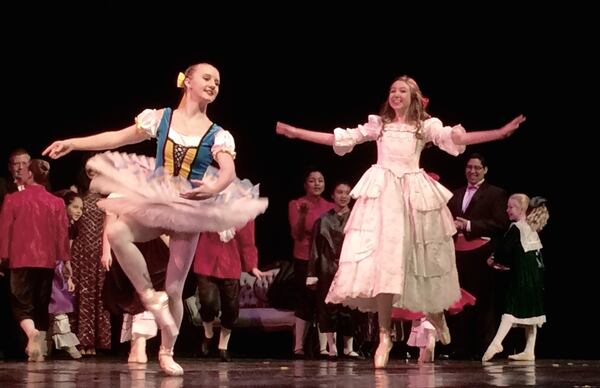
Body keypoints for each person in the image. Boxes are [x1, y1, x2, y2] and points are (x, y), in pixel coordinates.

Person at [275, 74, 526, 368]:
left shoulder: (424, 127)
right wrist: (297, 132)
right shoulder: (379, 125)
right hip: (383, 195)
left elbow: (458, 138)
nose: (396, 94)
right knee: (384, 264)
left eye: (402, 90)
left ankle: (433, 314)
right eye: (392, 90)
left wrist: (498, 132)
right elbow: (341, 138)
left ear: (413, 97)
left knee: (421, 259)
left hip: (412, 196)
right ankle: (384, 335)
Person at [43, 62, 268, 375]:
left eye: (218, 81)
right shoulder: (161, 118)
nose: (213, 84)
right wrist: (73, 142)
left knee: (175, 289)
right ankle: (149, 294)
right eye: (207, 77)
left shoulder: (218, 135)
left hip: (188, 208)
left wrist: (213, 187)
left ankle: (166, 351)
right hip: (157, 199)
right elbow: (116, 138)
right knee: (118, 232)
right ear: (187, 81)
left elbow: (228, 171)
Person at [0, 160, 71, 362]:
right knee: (39, 304)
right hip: (46, 260)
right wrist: (65, 260)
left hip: (20, 259)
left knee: (21, 304)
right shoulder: (56, 202)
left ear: (30, 174)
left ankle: (31, 334)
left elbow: (4, 231)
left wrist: (2, 257)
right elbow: (62, 234)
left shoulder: (13, 199)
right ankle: (36, 342)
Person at [446, 153, 510, 359]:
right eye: (469, 167)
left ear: (485, 170)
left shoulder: (496, 193)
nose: (472, 171)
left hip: (481, 255)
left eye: (477, 168)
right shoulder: (454, 194)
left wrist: (469, 225)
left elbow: (500, 223)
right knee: (458, 302)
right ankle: (460, 348)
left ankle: (483, 349)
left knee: (483, 303)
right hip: (457, 255)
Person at [482, 195, 549, 362]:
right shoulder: (532, 227)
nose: (507, 210)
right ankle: (529, 350)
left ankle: (497, 342)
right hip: (535, 277)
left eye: (511, 207)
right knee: (532, 313)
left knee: (511, 308)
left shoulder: (517, 227)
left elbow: (504, 250)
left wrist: (493, 259)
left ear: (522, 209)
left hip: (522, 278)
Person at [307, 181, 364, 359]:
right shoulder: (323, 220)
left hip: (349, 268)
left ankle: (349, 347)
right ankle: (331, 347)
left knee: (349, 309)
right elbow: (314, 249)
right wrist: (312, 274)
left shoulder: (356, 219)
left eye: (347, 192)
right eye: (339, 192)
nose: (343, 196)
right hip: (327, 267)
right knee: (328, 308)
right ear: (332, 195)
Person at [193, 219, 264, 362]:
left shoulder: (244, 214)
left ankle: (223, 347)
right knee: (208, 303)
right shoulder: (210, 205)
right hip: (206, 262)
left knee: (231, 309)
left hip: (230, 265)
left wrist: (252, 265)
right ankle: (208, 334)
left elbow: (248, 242)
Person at [288, 167, 334, 358]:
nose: (317, 184)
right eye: (312, 180)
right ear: (305, 184)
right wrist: (302, 215)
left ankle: (324, 348)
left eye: (320, 180)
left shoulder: (330, 207)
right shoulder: (297, 204)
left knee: (324, 302)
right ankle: (298, 346)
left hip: (324, 261)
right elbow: (296, 234)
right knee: (305, 302)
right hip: (304, 259)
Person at [47, 190, 83, 359]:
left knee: (60, 303)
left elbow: (67, 251)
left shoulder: (72, 226)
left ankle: (59, 344)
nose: (78, 211)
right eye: (75, 207)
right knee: (57, 303)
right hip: (49, 264)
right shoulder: (54, 222)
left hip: (60, 265)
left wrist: (69, 274)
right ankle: (59, 344)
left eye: (81, 208)